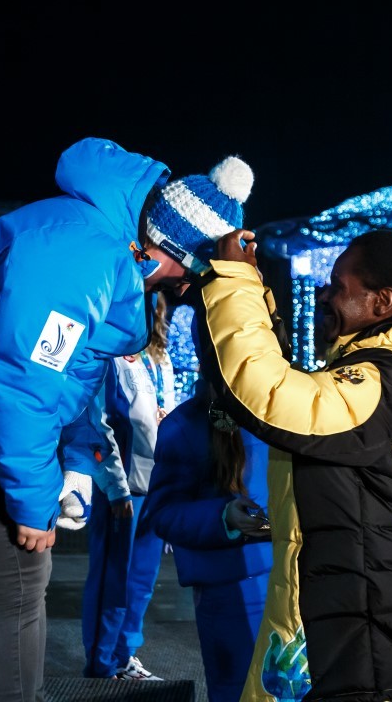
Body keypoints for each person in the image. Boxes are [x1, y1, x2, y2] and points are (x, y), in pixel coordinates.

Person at [0, 137, 253, 701]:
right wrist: (32, 500)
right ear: (165, 249)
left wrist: (78, 458)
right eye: (189, 273)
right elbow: (24, 384)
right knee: (17, 582)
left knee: (25, 580)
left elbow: (76, 372)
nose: (184, 289)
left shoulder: (112, 246)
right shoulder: (82, 252)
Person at [204, 228, 392, 702]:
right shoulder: (383, 367)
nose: (325, 295)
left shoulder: (390, 375)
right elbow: (281, 387)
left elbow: (269, 395)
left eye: (338, 285)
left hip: (386, 624)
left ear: (382, 302)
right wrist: (256, 298)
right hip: (367, 605)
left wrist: (233, 281)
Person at [144, 297, 274, 702]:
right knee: (236, 691)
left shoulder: (282, 410)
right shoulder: (185, 426)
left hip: (293, 580)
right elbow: (163, 512)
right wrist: (225, 516)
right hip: (228, 591)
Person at [76, 293, 180, 682]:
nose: (152, 316)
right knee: (113, 577)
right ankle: (102, 663)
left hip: (157, 483)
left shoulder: (159, 360)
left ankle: (125, 655)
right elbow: (98, 425)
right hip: (122, 489)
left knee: (141, 580)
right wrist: (117, 488)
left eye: (155, 309)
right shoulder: (107, 356)